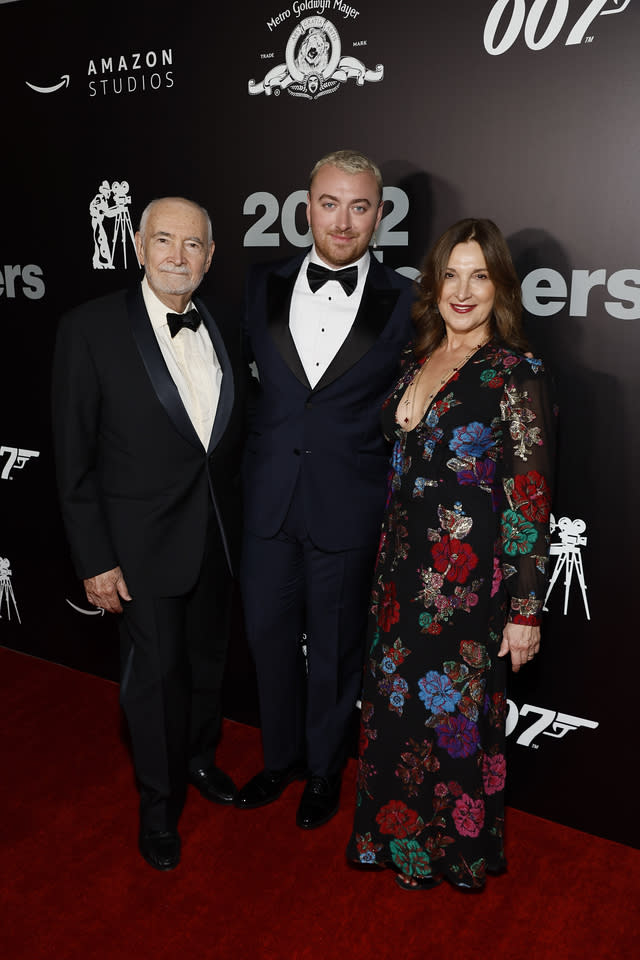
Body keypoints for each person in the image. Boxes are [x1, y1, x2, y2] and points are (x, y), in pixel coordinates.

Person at [346, 218, 556, 891]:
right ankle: (391, 843)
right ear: (433, 285)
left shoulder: (515, 373)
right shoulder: (415, 360)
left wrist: (524, 607)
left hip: (465, 589)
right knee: (394, 713)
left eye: (480, 276)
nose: (463, 291)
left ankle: (455, 855)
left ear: (500, 288)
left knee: (453, 722)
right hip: (399, 574)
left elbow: (528, 497)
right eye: (451, 275)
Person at [52, 197, 246, 871]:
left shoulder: (220, 323)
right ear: (138, 245)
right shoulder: (89, 329)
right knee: (153, 684)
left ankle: (199, 762)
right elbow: (73, 460)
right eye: (164, 240)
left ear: (211, 257)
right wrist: (96, 559)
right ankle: (157, 807)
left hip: (216, 540)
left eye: (193, 245)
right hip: (138, 549)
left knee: (206, 670)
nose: (177, 256)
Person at [235, 150, 414, 829]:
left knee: (336, 651)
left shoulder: (405, 299)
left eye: (360, 206)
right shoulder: (260, 284)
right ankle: (277, 759)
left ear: (378, 213)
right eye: (331, 203)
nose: (344, 221)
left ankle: (321, 771)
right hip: (267, 502)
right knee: (268, 638)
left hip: (349, 504)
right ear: (307, 207)